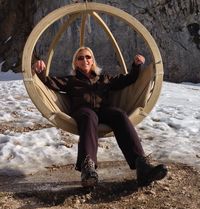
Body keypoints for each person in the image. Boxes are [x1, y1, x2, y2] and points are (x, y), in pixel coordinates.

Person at [33, 46, 167, 188]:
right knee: (89, 116)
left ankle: (142, 166)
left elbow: (128, 80)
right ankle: (88, 168)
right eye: (80, 58)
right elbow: (49, 82)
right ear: (76, 63)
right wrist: (40, 72)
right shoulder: (71, 80)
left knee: (119, 115)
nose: (85, 60)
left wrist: (136, 66)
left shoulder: (104, 79)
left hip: (103, 111)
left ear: (93, 61)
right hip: (83, 112)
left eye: (88, 57)